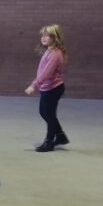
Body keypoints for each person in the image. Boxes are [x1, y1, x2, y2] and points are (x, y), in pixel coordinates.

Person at [25, 24, 69, 152]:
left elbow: (47, 73)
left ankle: (49, 142)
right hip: (47, 88)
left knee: (49, 115)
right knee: (44, 112)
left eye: (47, 35)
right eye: (42, 35)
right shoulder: (49, 51)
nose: (43, 37)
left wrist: (34, 85)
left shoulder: (55, 54)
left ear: (55, 37)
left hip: (53, 88)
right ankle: (60, 136)